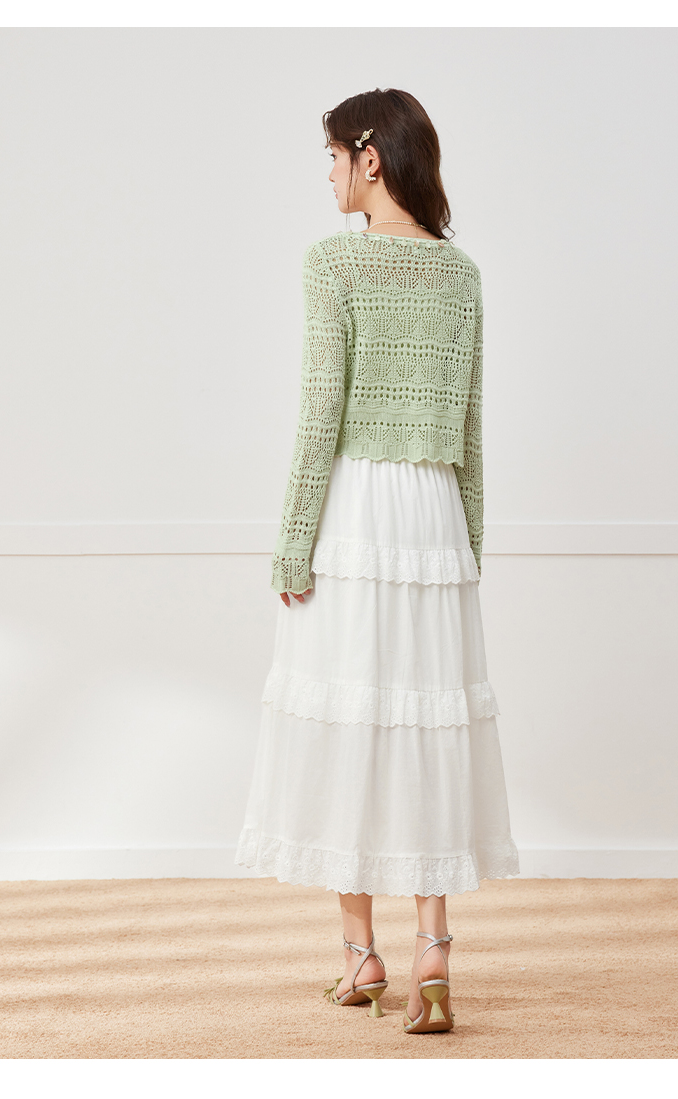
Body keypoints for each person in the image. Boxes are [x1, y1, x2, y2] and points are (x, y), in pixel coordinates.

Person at [235, 87, 519, 1034]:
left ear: (368, 156)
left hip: (355, 511)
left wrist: (293, 536)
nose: (326, 174)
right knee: (425, 726)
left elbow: (321, 409)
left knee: (346, 720)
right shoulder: (461, 274)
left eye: (331, 156)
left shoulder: (334, 263)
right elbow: (471, 428)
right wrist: (467, 543)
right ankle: (434, 949)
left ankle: (361, 958)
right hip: (432, 519)